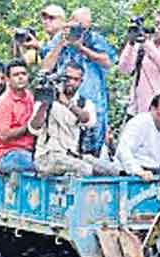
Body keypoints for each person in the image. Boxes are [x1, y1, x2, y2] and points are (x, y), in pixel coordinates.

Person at [41, 7, 114, 156]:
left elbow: (108, 62)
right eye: (77, 26)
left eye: (84, 27)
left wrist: (81, 48)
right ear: (70, 22)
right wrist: (61, 42)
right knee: (66, 146)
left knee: (92, 151)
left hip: (93, 104)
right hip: (65, 102)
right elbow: (45, 68)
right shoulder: (60, 38)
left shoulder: (94, 39)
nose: (80, 31)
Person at [28, 63, 119, 177]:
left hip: (72, 155)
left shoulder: (84, 103)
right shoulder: (46, 98)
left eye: (75, 79)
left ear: (81, 82)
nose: (70, 82)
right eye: (67, 78)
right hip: (46, 157)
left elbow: (88, 120)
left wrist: (68, 104)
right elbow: (34, 128)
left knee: (113, 170)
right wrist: (45, 104)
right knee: (84, 169)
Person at [117, 14, 160, 116]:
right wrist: (131, 43)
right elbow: (124, 69)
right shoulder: (140, 47)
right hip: (139, 111)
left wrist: (146, 42)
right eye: (156, 24)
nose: (159, 27)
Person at [115, 93, 160, 180]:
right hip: (129, 172)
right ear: (153, 109)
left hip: (153, 171)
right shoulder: (140, 122)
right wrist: (137, 171)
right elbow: (123, 150)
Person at [0, 60, 36, 172]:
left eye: (23, 74)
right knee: (39, 165)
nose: (20, 77)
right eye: (16, 75)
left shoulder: (31, 97)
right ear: (7, 79)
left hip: (29, 151)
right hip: (9, 154)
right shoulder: (3, 102)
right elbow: (4, 136)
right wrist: (28, 127)